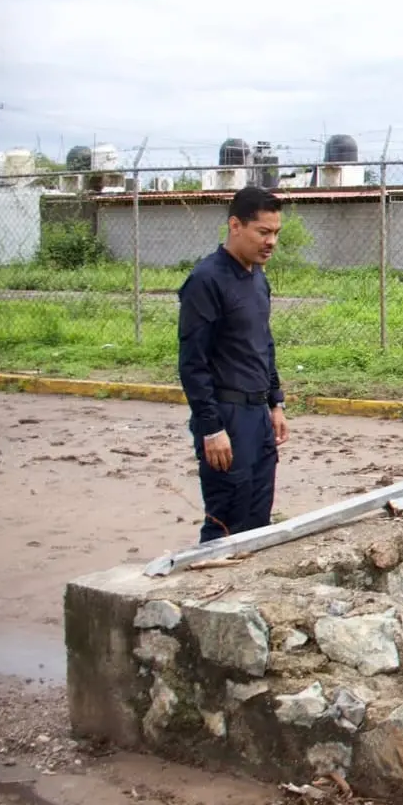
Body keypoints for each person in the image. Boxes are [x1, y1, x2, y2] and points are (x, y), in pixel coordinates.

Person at [177, 186, 290, 543]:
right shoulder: (206, 280)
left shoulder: (258, 279)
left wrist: (275, 402)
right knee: (228, 520)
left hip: (258, 416)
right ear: (235, 226)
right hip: (226, 417)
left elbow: (263, 344)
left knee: (259, 518)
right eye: (263, 232)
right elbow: (193, 362)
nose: (271, 241)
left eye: (276, 233)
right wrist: (211, 428)